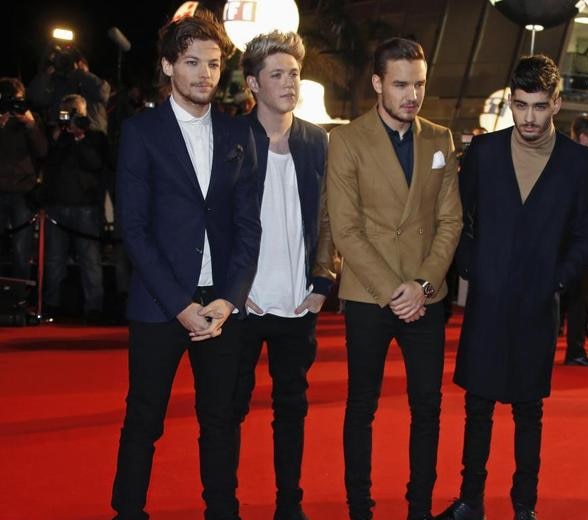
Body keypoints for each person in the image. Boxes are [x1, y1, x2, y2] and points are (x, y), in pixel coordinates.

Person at [110, 13, 260, 520]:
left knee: (221, 419)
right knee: (145, 418)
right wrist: (179, 305)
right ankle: (127, 511)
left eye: (214, 64)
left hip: (220, 305)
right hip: (159, 304)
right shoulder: (140, 132)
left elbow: (248, 227)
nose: (204, 74)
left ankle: (223, 510)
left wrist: (230, 298)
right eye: (193, 62)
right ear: (169, 65)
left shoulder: (240, 132)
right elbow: (134, 229)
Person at [435, 55, 588, 520]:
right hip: (487, 303)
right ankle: (471, 501)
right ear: (510, 101)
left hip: (539, 304)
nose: (528, 117)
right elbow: (458, 218)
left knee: (530, 412)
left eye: (539, 107)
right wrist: (472, 268)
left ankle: (524, 506)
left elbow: (587, 234)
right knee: (478, 408)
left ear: (557, 105)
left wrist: (558, 278)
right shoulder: (485, 154)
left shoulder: (577, 165)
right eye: (520, 105)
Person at [327, 37, 462, 520]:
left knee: (428, 408)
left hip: (426, 295)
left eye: (420, 84)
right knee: (361, 406)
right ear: (378, 83)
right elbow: (345, 228)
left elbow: (451, 222)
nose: (412, 94)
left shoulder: (439, 138)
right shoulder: (346, 140)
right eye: (401, 84)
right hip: (369, 295)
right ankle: (359, 508)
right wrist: (394, 291)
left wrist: (422, 285)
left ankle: (419, 509)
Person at [233, 31, 336, 520]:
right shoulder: (232, 137)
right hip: (243, 306)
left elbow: (331, 216)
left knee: (291, 412)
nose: (289, 82)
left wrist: (322, 284)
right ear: (254, 83)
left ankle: (288, 506)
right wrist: (234, 290)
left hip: (299, 305)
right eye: (277, 74)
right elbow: (215, 221)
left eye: (294, 72)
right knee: (227, 410)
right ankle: (223, 504)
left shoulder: (317, 141)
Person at [41, 93, 109, 321]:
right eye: (66, 114)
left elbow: (96, 164)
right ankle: (50, 306)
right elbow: (47, 163)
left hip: (86, 207)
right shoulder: (56, 137)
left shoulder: (96, 137)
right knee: (54, 260)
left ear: (83, 113)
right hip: (57, 207)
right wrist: (59, 137)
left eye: (74, 114)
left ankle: (95, 309)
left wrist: (80, 138)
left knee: (90, 261)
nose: (70, 119)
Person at [559, 113, 588, 366]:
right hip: (577, 243)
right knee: (580, 299)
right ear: (585, 137)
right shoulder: (583, 164)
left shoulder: (565, 159)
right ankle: (575, 351)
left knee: (573, 298)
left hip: (571, 242)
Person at [0, 77, 47, 297]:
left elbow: (43, 151)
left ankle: (19, 299)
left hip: (22, 192)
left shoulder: (31, 120)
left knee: (21, 251)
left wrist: (31, 125)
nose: (15, 105)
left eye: (19, 100)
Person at [28, 47, 111, 133]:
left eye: (69, 59)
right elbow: (36, 99)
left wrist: (82, 73)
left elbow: (102, 93)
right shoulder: (54, 82)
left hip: (91, 134)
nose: (65, 63)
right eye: (62, 60)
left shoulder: (89, 81)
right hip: (65, 134)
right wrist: (46, 75)